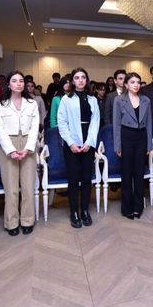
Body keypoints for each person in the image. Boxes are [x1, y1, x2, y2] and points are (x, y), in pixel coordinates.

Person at [0, 71, 39, 236]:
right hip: (8, 144)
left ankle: (28, 220)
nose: (18, 84)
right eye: (14, 81)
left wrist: (28, 148)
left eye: (21, 81)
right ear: (8, 84)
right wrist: (11, 150)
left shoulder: (31, 103)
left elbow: (35, 128)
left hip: (28, 144)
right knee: (11, 188)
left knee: (28, 187)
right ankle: (11, 222)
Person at [57, 68, 100, 228]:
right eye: (77, 77)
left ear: (86, 80)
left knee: (87, 179)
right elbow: (62, 123)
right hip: (72, 143)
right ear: (72, 81)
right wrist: (71, 143)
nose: (80, 80)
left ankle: (85, 211)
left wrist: (89, 142)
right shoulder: (66, 99)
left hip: (89, 142)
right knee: (74, 179)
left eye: (83, 77)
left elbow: (95, 122)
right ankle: (74, 212)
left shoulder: (93, 99)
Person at [113, 72, 153, 219]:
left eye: (138, 82)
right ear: (126, 84)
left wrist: (149, 144)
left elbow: (149, 124)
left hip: (141, 138)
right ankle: (126, 208)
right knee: (127, 174)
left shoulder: (146, 100)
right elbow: (116, 125)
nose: (136, 85)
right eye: (132, 82)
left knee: (139, 173)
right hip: (126, 137)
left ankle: (138, 207)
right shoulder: (119, 100)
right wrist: (117, 146)